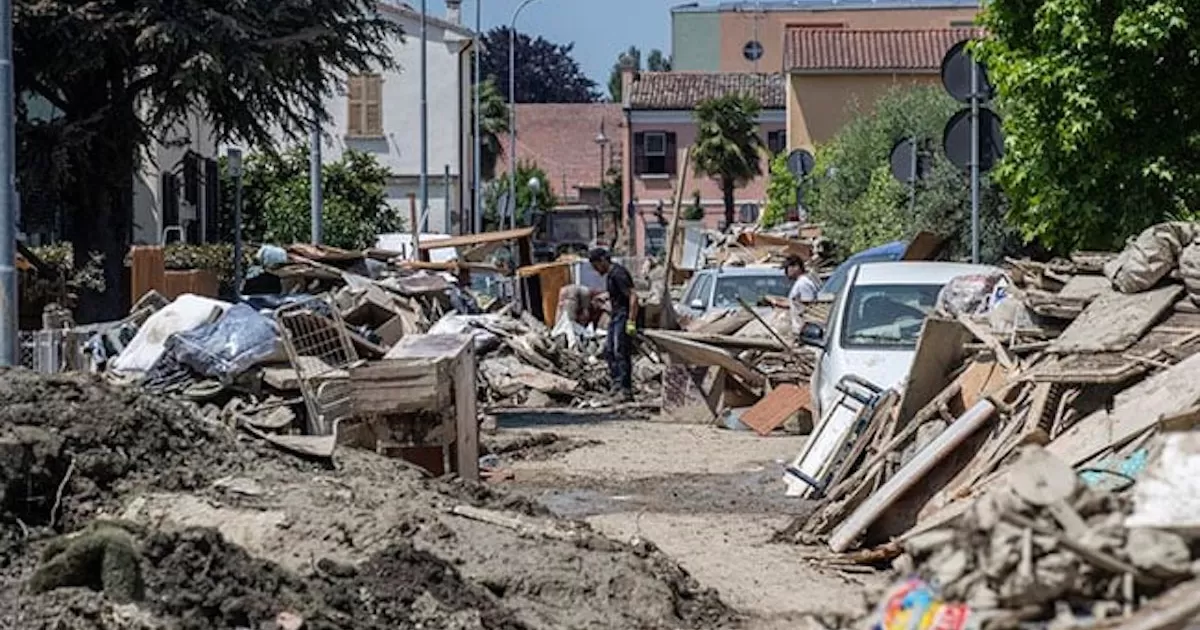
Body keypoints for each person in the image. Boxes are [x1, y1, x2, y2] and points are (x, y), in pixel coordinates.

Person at [588, 247, 638, 401]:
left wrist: (631, 321)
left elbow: (633, 297)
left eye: (596, 266)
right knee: (609, 351)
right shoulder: (610, 276)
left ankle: (626, 390)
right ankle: (617, 386)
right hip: (615, 316)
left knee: (620, 351)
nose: (596, 271)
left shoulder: (618, 273)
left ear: (602, 261)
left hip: (623, 317)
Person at [784, 255, 820, 334]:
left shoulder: (803, 283)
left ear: (796, 267)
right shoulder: (800, 283)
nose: (786, 272)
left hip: (803, 330)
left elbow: (809, 307)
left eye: (787, 268)